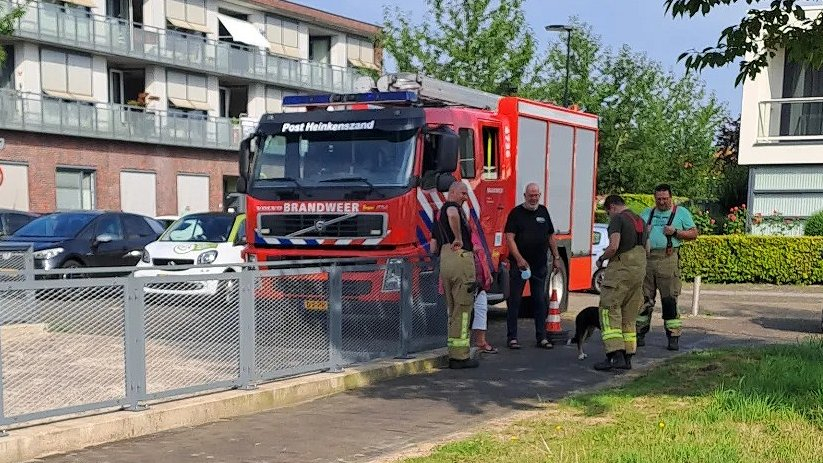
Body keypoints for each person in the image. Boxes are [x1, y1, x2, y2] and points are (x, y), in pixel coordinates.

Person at [637, 184, 698, 351]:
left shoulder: (681, 213)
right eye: (659, 199)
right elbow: (635, 233)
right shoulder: (647, 213)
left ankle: (673, 336)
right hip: (648, 259)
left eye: (665, 199)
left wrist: (676, 232)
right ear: (654, 198)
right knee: (643, 299)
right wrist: (643, 232)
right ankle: (639, 333)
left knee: (669, 299)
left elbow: (693, 234)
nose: (662, 202)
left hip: (668, 258)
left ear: (671, 197)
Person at [503, 183, 562, 350]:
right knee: (515, 301)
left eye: (536, 195)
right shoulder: (516, 214)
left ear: (540, 195)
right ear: (525, 195)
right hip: (519, 265)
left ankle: (541, 337)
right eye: (531, 195)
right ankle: (512, 338)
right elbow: (510, 238)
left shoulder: (543, 211)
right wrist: (519, 259)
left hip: (539, 264)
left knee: (539, 301)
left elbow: (551, 237)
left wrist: (556, 257)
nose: (534, 198)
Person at [593, 195, 647, 371]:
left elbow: (614, 246)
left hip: (620, 272)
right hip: (638, 272)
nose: (609, 215)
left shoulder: (618, 219)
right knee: (629, 315)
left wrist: (602, 259)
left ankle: (614, 356)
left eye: (608, 212)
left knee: (609, 311)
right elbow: (649, 248)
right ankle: (628, 357)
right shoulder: (640, 220)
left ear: (612, 207)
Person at [436, 181, 478, 369]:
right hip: (459, 258)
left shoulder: (439, 212)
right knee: (463, 307)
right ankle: (460, 357)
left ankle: (454, 351)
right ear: (452, 192)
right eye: (462, 193)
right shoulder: (452, 208)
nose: (465, 197)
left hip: (446, 258)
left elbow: (432, 243)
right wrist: (459, 238)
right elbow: (453, 215)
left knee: (452, 308)